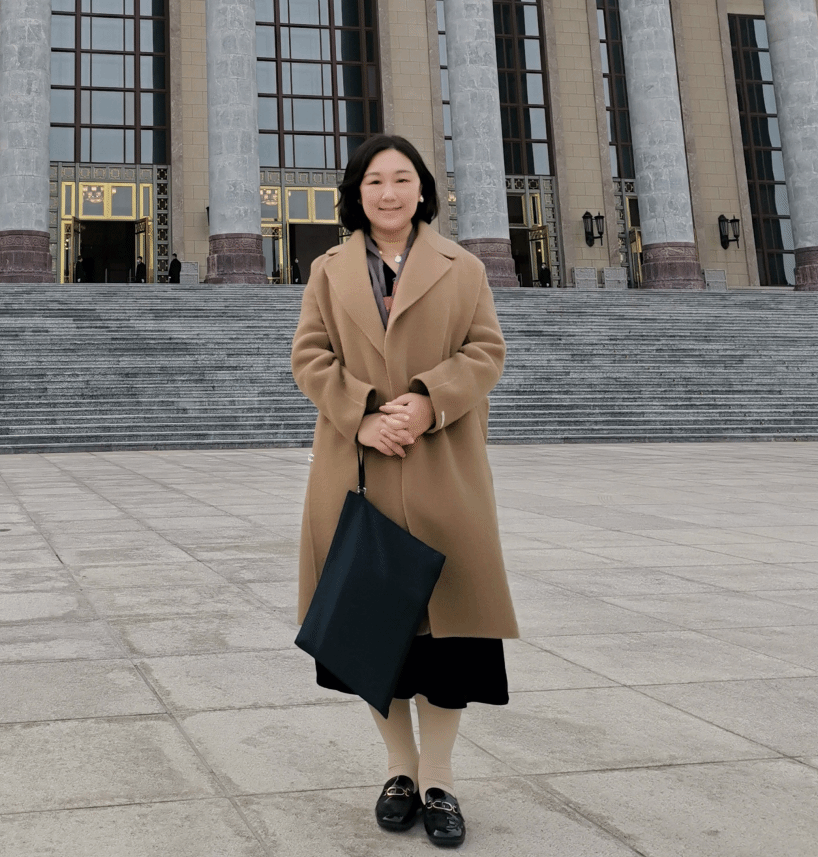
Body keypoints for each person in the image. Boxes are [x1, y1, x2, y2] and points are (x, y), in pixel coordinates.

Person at [291, 135, 518, 849]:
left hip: (442, 467)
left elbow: (486, 350)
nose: (388, 193)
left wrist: (426, 401)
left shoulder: (463, 267)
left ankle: (440, 779)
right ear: (356, 195)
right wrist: (361, 415)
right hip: (360, 471)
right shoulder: (328, 270)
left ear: (423, 189)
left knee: (450, 639)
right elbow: (309, 355)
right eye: (374, 182)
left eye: (401, 179)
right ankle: (399, 771)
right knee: (372, 635)